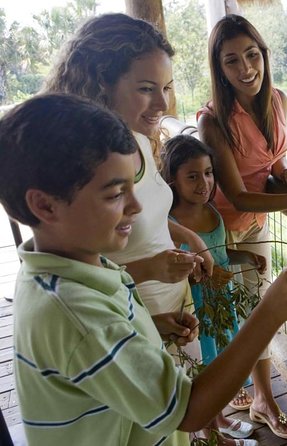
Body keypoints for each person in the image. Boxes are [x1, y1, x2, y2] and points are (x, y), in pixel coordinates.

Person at [1, 93, 287, 446]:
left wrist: (148, 328)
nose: (137, 207)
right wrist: (270, 311)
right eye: (114, 194)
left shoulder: (69, 269)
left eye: (132, 187)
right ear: (45, 205)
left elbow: (98, 342)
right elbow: (188, 411)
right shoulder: (78, 318)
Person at [42, 13, 213, 363]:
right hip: (127, 322)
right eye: (146, 89)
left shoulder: (136, 138)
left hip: (169, 310)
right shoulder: (84, 167)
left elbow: (145, 213)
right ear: (102, 82)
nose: (163, 105)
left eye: (166, 88)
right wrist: (151, 270)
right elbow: (73, 282)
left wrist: (188, 237)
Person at [197, 14, 287, 439]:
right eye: (232, 61)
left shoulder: (278, 100)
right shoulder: (212, 121)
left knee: (256, 305)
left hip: (258, 221)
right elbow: (236, 195)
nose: (246, 68)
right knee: (239, 312)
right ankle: (255, 400)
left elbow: (271, 166)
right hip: (222, 229)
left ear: (264, 55)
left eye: (252, 55)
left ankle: (255, 396)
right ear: (220, 69)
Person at [162, 134, 267, 440]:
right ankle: (209, 431)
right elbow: (177, 269)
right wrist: (204, 276)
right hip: (195, 308)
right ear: (172, 180)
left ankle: (218, 418)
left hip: (221, 306)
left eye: (208, 174)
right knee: (203, 367)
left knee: (221, 362)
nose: (203, 183)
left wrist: (245, 256)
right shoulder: (170, 222)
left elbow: (218, 254)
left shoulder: (212, 213)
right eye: (192, 176)